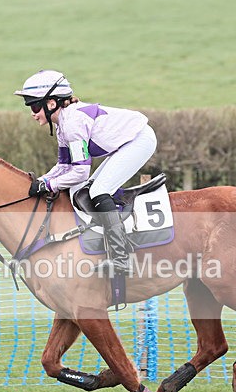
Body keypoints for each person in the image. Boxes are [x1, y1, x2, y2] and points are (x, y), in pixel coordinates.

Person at [14, 70, 157, 276]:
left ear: (51, 103)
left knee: (98, 191)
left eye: (35, 106)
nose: (32, 113)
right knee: (84, 192)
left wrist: (49, 185)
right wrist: (43, 179)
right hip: (128, 142)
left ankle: (121, 259)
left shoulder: (71, 124)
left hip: (139, 140)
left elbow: (80, 172)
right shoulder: (63, 124)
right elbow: (63, 165)